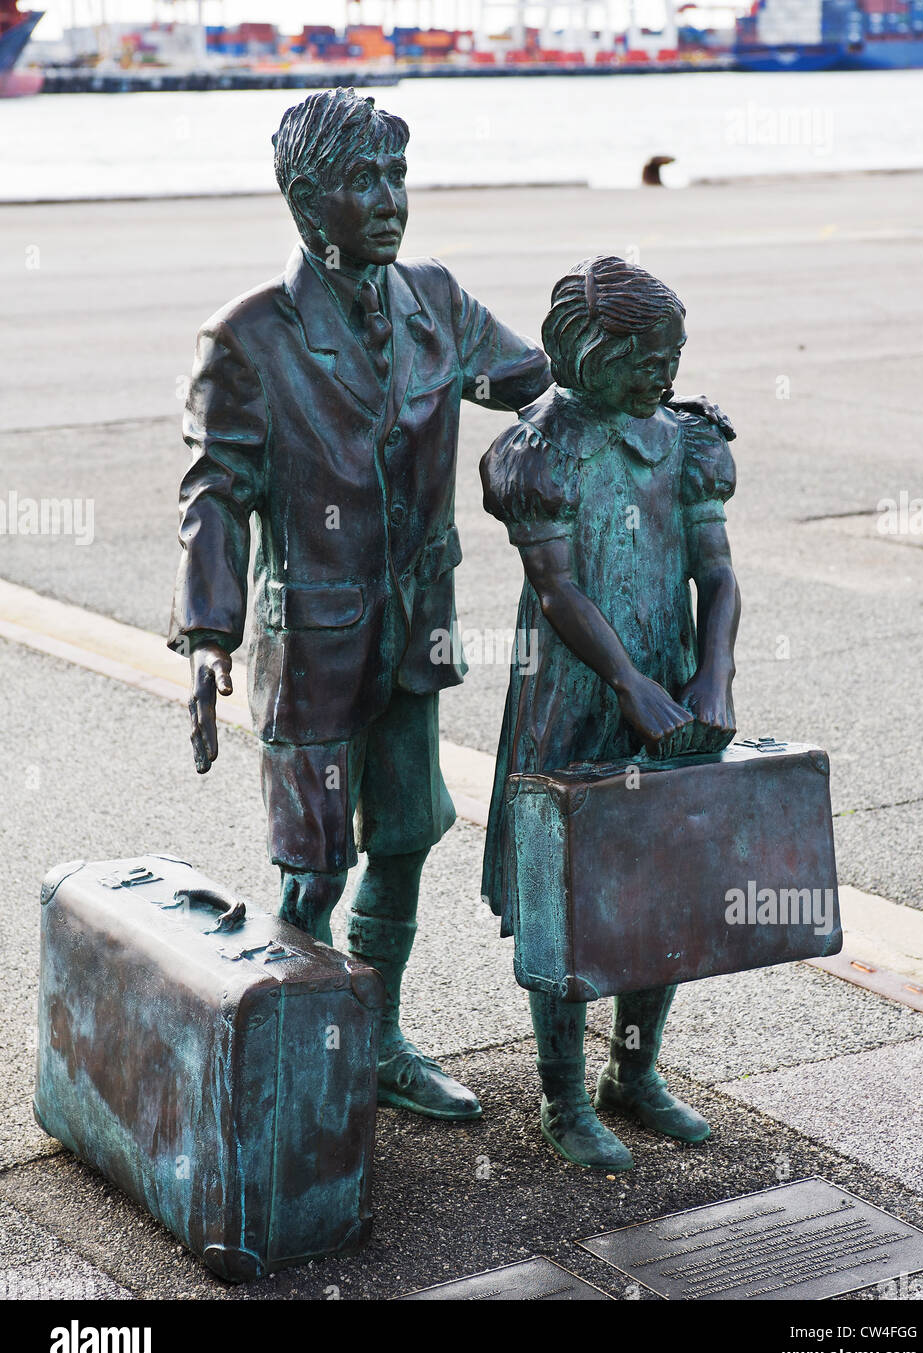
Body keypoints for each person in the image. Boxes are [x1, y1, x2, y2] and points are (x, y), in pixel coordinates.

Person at [168, 88, 553, 1121]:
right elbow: (215, 491)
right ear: (304, 203)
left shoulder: (436, 301)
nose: (389, 200)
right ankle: (307, 1054)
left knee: (407, 834)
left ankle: (378, 1037)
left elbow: (533, 378)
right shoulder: (249, 335)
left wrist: (629, 400)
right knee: (312, 864)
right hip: (314, 641)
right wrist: (206, 642)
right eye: (361, 181)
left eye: (397, 176)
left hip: (413, 629)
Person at [480, 255, 741, 1170]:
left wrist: (711, 679)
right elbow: (556, 591)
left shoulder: (685, 441)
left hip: (667, 681)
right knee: (570, 890)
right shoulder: (536, 453)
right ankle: (561, 1095)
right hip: (577, 691)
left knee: (661, 878)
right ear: (586, 355)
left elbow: (714, 571)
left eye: (669, 356)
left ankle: (631, 1073)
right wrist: (628, 683)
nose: (661, 377)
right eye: (640, 360)